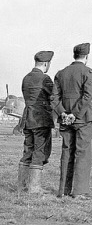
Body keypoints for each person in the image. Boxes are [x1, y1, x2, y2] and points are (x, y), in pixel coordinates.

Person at [51, 43, 92, 199]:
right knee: (82, 153)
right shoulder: (88, 72)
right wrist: (75, 114)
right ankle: (79, 191)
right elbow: (87, 97)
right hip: (82, 119)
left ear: (74, 55)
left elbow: (54, 98)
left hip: (65, 120)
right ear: (86, 56)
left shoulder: (60, 73)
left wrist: (63, 113)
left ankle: (63, 190)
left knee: (66, 152)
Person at [18, 51, 55, 193]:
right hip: (40, 120)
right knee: (40, 151)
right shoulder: (45, 78)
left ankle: (22, 186)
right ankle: (34, 187)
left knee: (27, 151)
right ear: (46, 64)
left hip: (27, 119)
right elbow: (53, 96)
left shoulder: (26, 78)